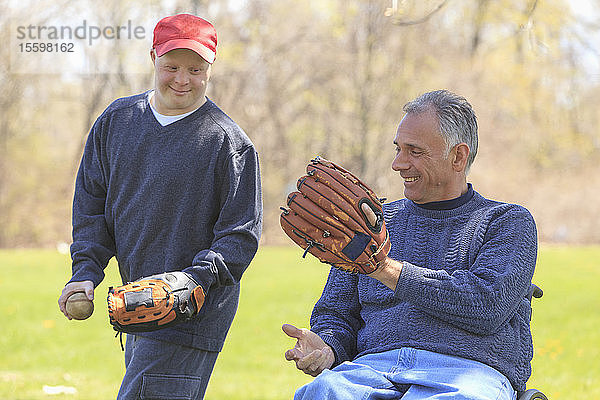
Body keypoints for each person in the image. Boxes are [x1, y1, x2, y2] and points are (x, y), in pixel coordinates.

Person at [283, 89, 537, 400]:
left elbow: (486, 306)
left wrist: (385, 269)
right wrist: (327, 345)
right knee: (319, 392)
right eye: (398, 149)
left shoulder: (507, 221)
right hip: (373, 369)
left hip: (466, 374)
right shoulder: (369, 222)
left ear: (458, 156)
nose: (398, 164)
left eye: (414, 151)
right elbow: (336, 313)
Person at [58, 14, 262, 400]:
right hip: (136, 306)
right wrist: (85, 271)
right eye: (172, 67)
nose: (183, 79)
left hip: (191, 314)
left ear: (210, 67)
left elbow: (240, 236)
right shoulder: (116, 123)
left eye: (195, 69)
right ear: (153, 58)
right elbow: (91, 209)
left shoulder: (228, 144)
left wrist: (192, 283)